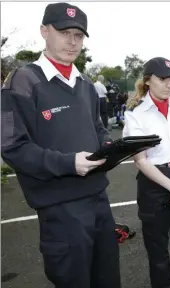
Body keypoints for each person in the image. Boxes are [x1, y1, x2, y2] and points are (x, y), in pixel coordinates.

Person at [1, 3, 121, 288]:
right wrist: (68, 163)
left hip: (99, 200)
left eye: (79, 36)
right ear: (44, 32)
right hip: (60, 208)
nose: (72, 41)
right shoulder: (22, 81)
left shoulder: (85, 83)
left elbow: (98, 127)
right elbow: (12, 146)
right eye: (64, 32)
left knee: (108, 279)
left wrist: (110, 147)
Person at [123, 57, 170, 288]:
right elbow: (141, 160)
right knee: (156, 246)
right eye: (163, 79)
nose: (169, 84)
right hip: (154, 183)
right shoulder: (135, 113)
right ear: (148, 81)